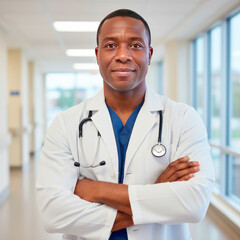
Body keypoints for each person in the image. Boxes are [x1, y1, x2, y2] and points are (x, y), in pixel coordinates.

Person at [36, 9, 214, 240]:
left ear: (149, 54)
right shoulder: (66, 123)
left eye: (136, 45)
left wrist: (97, 190)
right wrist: (157, 195)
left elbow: (194, 203)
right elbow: (53, 214)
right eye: (111, 45)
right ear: (97, 54)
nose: (123, 55)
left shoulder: (183, 119)